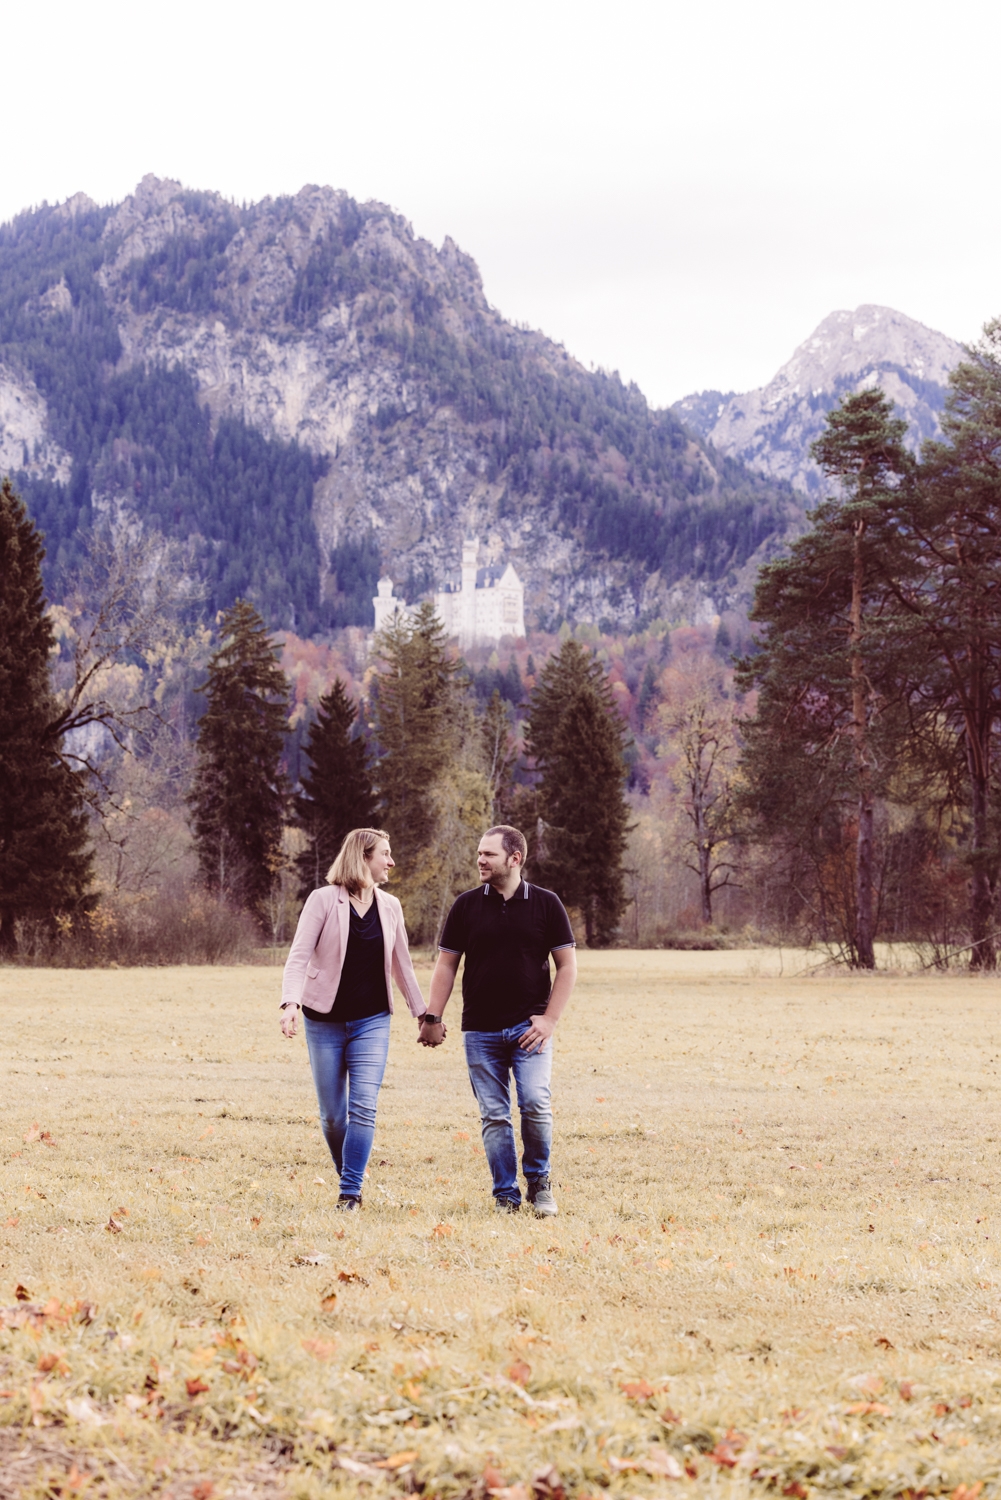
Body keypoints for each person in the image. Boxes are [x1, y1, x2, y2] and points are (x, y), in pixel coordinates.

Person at [419, 825, 577, 1216]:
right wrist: (432, 1017)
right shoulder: (466, 906)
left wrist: (549, 1021)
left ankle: (539, 1183)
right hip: (480, 1029)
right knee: (494, 1115)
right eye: (479, 853)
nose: (480, 860)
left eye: (488, 854)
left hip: (530, 1029)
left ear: (515, 858)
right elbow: (446, 966)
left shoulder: (546, 904)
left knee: (536, 1103)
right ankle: (505, 1195)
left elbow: (567, 966)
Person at [280, 828, 430, 1209]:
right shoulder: (323, 900)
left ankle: (350, 1193)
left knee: (363, 1106)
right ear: (363, 857)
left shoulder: (391, 906)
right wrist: (290, 1004)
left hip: (372, 1020)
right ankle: (348, 1174)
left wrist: (422, 1014)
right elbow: (298, 957)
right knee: (332, 1117)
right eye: (385, 854)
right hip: (323, 1020)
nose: (391, 862)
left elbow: (402, 966)